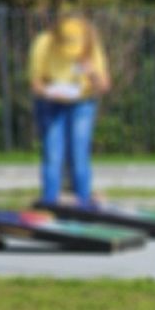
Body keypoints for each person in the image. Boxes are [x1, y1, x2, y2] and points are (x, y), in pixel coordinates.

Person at [28, 14, 110, 208]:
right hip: (51, 102)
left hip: (82, 102)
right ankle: (49, 202)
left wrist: (92, 72)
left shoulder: (91, 44)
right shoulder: (43, 43)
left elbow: (104, 85)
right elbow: (36, 83)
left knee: (79, 153)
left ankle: (83, 204)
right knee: (52, 152)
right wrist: (50, 92)